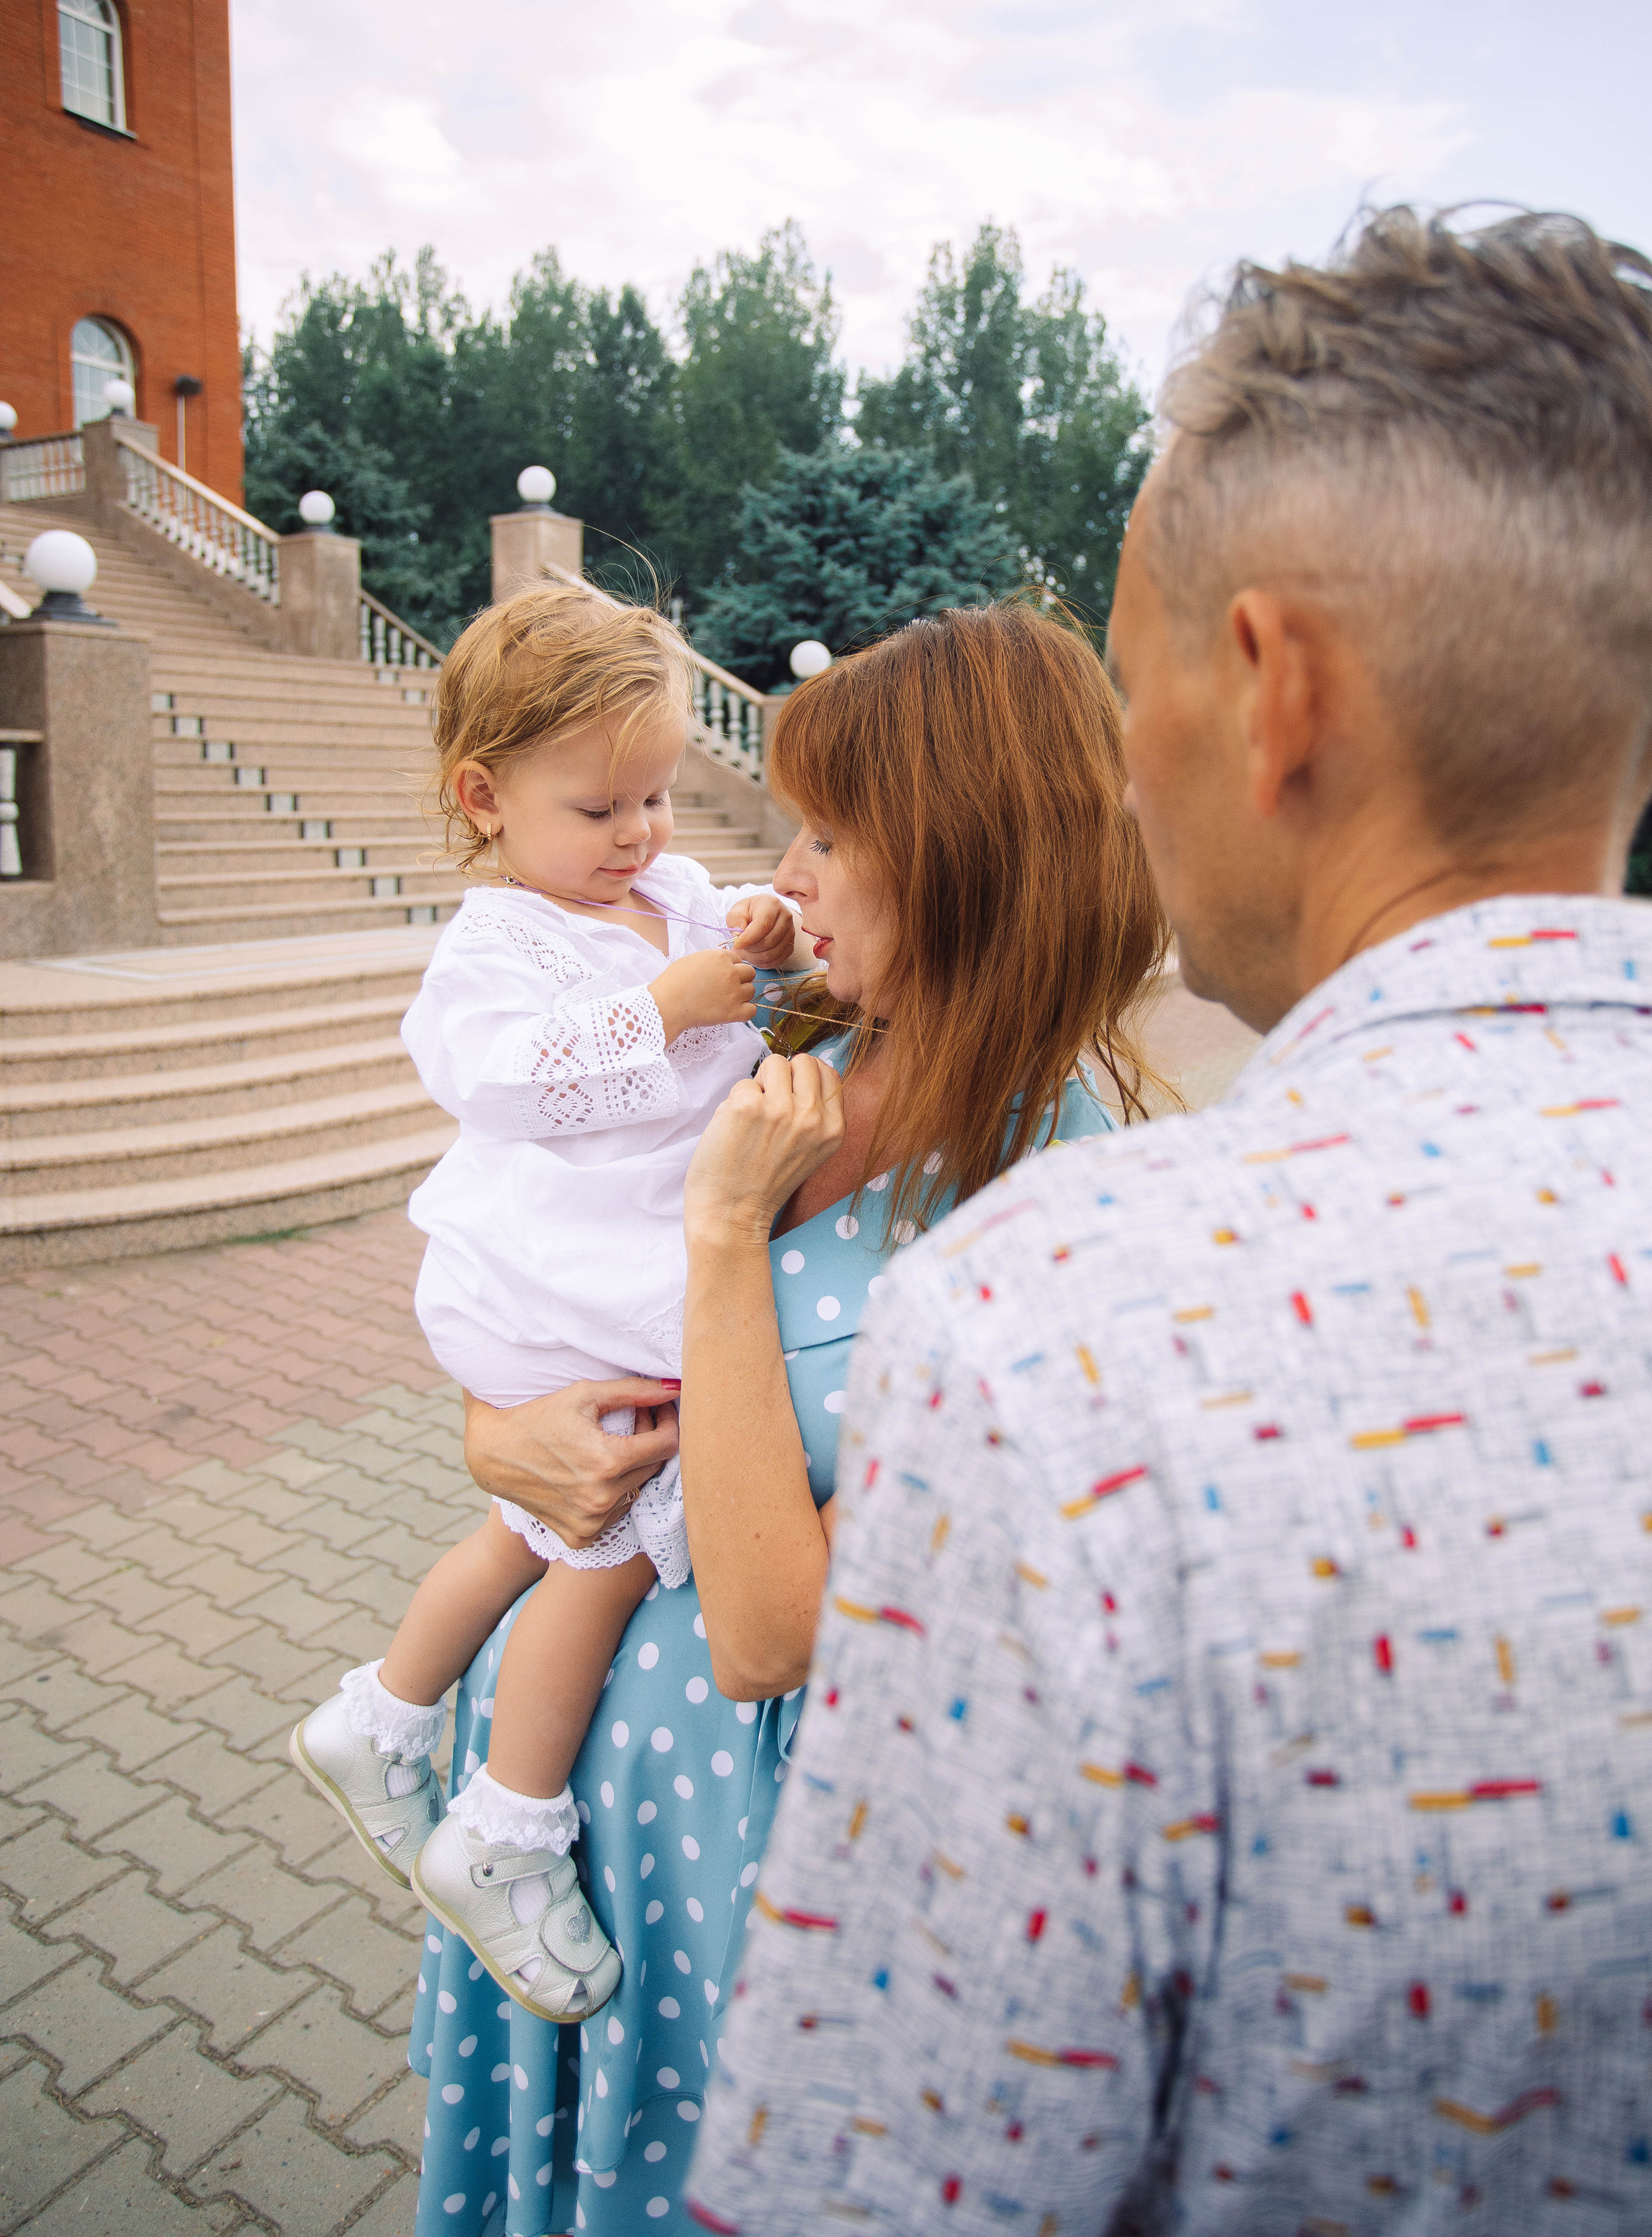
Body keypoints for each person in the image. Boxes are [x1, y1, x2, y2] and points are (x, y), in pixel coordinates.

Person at [687, 206, 1652, 2236]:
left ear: (1274, 689)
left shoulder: (1059, 1321)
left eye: (1134, 698)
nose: (1123, 784)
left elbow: (890, 2177)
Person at [408, 598, 1168, 2235]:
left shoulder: (1043, 1183)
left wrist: (717, 1240)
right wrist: (496, 1434)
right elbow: (536, 1269)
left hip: (761, 1840)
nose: (788, 868)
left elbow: (772, 1631)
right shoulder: (798, 1022)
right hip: (570, 1802)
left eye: (833, 833)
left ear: (962, 858)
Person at [289, 583, 803, 2018]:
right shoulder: (496, 945)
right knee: (617, 1533)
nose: (639, 834)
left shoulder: (665, 893)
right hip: (553, 1273)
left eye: (655, 796)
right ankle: (504, 1828)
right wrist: (670, 1008)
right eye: (600, 808)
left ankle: (382, 1714)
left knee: (535, 1526)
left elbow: (742, 934)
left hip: (618, 1265)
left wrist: (752, 927)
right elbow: (498, 1081)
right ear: (486, 795)